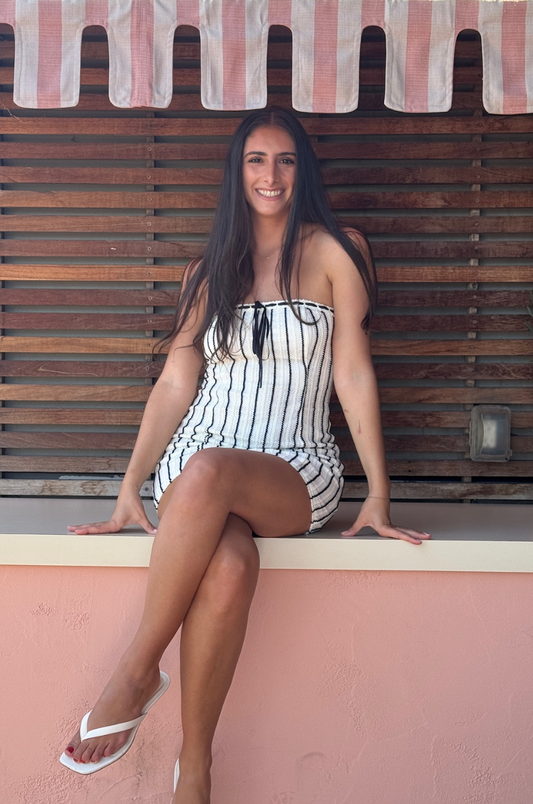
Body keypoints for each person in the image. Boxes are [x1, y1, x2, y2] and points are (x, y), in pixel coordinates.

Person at [59, 107, 430, 803]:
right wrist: (129, 488)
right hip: (194, 466)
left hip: (294, 468)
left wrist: (377, 494)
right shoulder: (209, 270)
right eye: (255, 160)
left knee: (211, 472)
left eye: (285, 159)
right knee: (226, 564)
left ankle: (137, 671)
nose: (270, 175)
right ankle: (194, 770)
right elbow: (176, 382)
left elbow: (351, 372)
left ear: (303, 170)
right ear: (236, 172)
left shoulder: (335, 250)